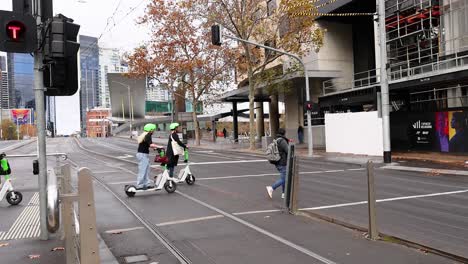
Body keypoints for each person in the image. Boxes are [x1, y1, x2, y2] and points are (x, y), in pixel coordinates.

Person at [136, 124, 162, 189]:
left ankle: (146, 184)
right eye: (153, 130)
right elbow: (151, 145)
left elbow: (148, 144)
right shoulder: (148, 135)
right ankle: (140, 185)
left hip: (143, 154)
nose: (154, 131)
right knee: (142, 170)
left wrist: (156, 148)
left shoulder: (146, 134)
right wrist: (159, 146)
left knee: (146, 170)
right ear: (150, 130)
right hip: (142, 155)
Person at [266, 128, 289, 199]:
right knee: (285, 178)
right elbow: (288, 150)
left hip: (277, 161)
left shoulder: (276, 140)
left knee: (283, 178)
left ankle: (284, 193)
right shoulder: (282, 141)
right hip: (282, 162)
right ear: (284, 133)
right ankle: (272, 188)